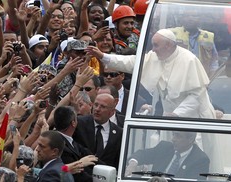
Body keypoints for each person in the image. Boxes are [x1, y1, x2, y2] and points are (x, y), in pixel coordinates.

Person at [86, 29, 216, 119]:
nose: (153, 49)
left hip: (195, 119)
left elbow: (197, 97)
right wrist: (102, 56)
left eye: (156, 45)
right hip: (171, 117)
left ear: (168, 45)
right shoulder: (156, 57)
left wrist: (177, 114)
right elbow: (130, 62)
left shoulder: (188, 60)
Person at [125, 131, 210, 180]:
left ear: (190, 139)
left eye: (178, 136)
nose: (173, 139)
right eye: (173, 134)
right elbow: (143, 154)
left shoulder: (201, 160)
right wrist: (133, 163)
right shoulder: (165, 147)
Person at [73, 93, 123, 169]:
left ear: (112, 112)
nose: (97, 109)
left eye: (103, 107)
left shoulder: (118, 133)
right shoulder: (79, 123)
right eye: (96, 105)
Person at [54, 106, 98, 182]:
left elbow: (91, 157)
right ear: (73, 123)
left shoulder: (72, 142)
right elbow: (78, 175)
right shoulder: (61, 146)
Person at [169, 10, 219, 77]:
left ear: (200, 19)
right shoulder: (172, 34)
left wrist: (211, 80)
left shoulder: (208, 36)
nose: (190, 18)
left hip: (202, 79)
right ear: (182, 18)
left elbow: (214, 62)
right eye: (187, 16)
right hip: (178, 78)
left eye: (194, 16)